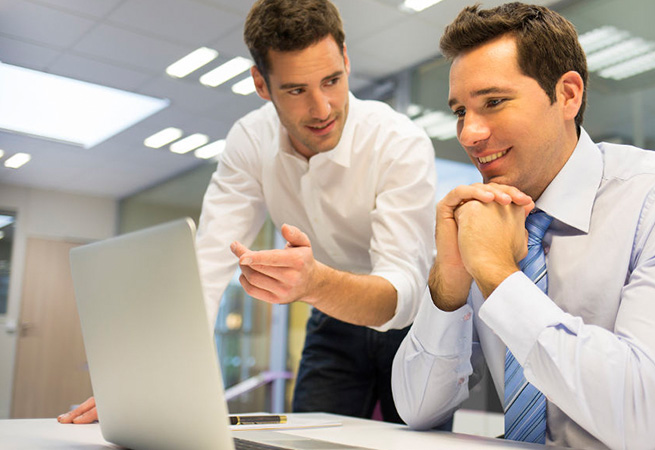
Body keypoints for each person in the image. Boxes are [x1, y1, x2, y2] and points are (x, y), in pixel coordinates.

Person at [391, 3, 655, 449]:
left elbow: (641, 419)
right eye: (460, 112)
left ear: (567, 95)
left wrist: (498, 275)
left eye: (493, 102)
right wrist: (448, 286)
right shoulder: (489, 217)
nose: (468, 133)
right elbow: (416, 408)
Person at [58, 0, 435, 425]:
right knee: (310, 437)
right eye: (296, 90)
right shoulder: (250, 142)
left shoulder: (400, 141)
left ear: (346, 60)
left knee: (419, 440)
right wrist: (145, 384)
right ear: (261, 83)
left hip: (415, 325)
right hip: (331, 318)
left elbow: (403, 293)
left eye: (332, 80)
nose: (322, 108)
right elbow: (207, 268)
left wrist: (314, 283)